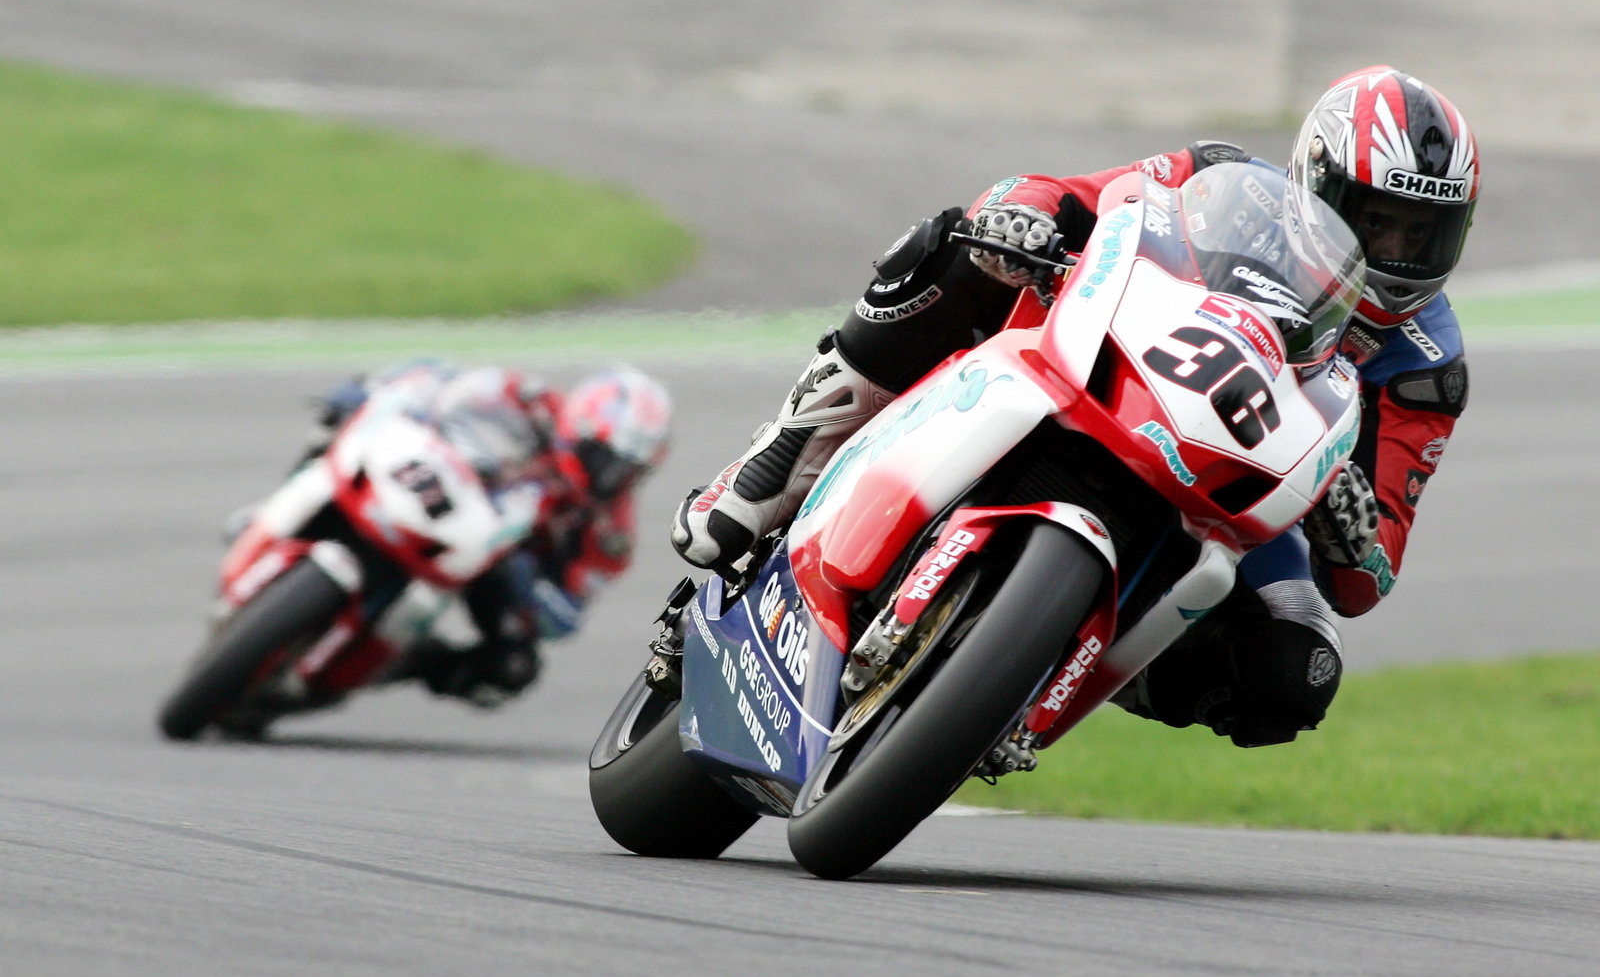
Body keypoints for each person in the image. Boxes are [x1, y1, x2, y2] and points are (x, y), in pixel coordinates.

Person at [671, 64, 1476, 748]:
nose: (1397, 254)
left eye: (1424, 232)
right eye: (1377, 222)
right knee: (953, 247)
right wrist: (1023, 213)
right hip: (1094, 366)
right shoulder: (1222, 180)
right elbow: (1070, 194)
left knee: (1296, 670)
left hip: (1229, 483)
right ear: (1320, 181)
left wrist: (1354, 528)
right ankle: (780, 455)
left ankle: (1045, 664)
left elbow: (1368, 580)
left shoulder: (1424, 367)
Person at [310, 359, 673, 709]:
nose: (608, 477)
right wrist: (376, 391)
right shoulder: (524, 397)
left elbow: (566, 617)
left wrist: (528, 584)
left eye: (625, 471)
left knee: (511, 670)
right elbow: (437, 382)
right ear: (578, 424)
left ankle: (401, 662)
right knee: (343, 424)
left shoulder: (611, 534)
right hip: (436, 486)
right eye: (602, 456)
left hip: (488, 566)